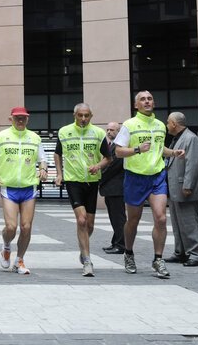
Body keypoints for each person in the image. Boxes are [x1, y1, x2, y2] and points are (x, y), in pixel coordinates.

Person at [113, 91, 184, 279]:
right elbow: (118, 152)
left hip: (157, 176)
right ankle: (128, 253)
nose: (147, 101)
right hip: (135, 177)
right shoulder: (129, 125)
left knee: (161, 219)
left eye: (150, 98)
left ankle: (158, 259)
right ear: (136, 105)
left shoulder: (160, 125)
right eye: (143, 99)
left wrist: (174, 153)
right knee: (133, 221)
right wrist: (137, 149)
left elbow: (160, 150)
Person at [0, 107, 48, 275]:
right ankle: (6, 247)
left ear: (28, 119)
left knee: (26, 227)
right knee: (11, 227)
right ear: (10, 118)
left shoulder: (34, 138)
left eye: (24, 118)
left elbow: (43, 160)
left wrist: (43, 170)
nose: (20, 121)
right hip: (9, 187)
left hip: (29, 187)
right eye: (17, 118)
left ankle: (19, 260)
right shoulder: (1, 137)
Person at [54, 103, 112, 276]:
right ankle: (87, 261)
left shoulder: (99, 133)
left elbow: (108, 157)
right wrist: (59, 174)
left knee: (90, 224)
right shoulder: (64, 132)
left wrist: (98, 166)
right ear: (75, 115)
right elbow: (57, 153)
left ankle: (83, 248)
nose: (83, 119)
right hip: (73, 181)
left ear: (91, 116)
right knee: (81, 220)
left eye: (86, 115)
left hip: (92, 182)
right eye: (80, 115)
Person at [163, 112, 198, 267]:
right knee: (177, 223)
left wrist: (188, 185)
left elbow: (193, 164)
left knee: (189, 222)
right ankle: (181, 252)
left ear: (175, 124)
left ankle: (195, 254)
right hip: (176, 186)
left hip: (184, 187)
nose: (167, 125)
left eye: (168, 122)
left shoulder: (190, 138)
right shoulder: (179, 138)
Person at [100, 122, 126, 254]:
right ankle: (116, 242)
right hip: (110, 188)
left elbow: (112, 167)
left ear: (119, 131)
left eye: (112, 130)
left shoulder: (119, 146)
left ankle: (121, 245)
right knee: (114, 217)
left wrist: (99, 177)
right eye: (108, 129)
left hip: (117, 188)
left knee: (118, 217)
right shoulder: (111, 145)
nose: (109, 132)